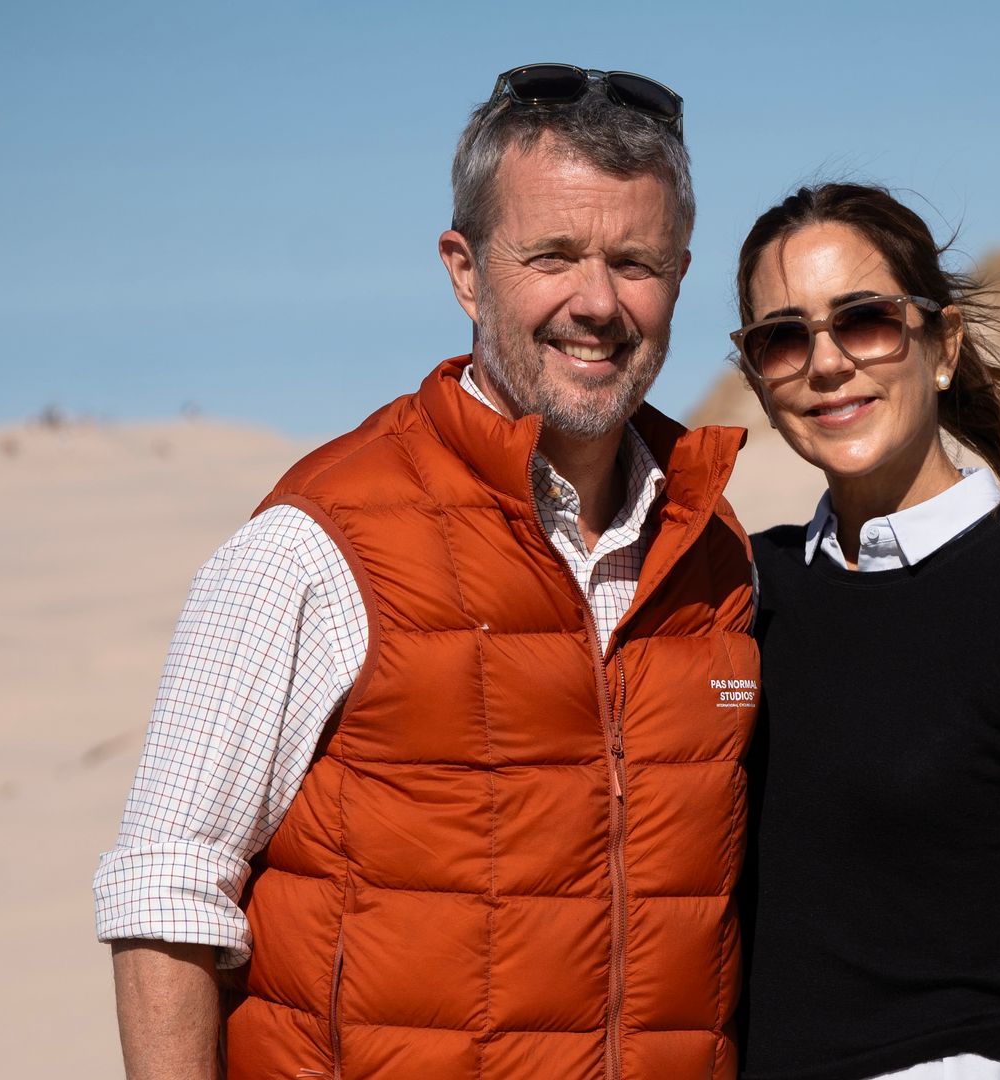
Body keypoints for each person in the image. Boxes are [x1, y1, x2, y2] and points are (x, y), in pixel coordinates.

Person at [93, 64, 761, 1080]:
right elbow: (167, 885)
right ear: (464, 269)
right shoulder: (316, 543)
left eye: (638, 262)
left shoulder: (717, 554)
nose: (598, 303)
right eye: (552, 256)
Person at [730, 184, 1000, 1080]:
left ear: (942, 346)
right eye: (782, 337)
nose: (826, 364)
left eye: (865, 321)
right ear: (759, 383)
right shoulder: (738, 589)